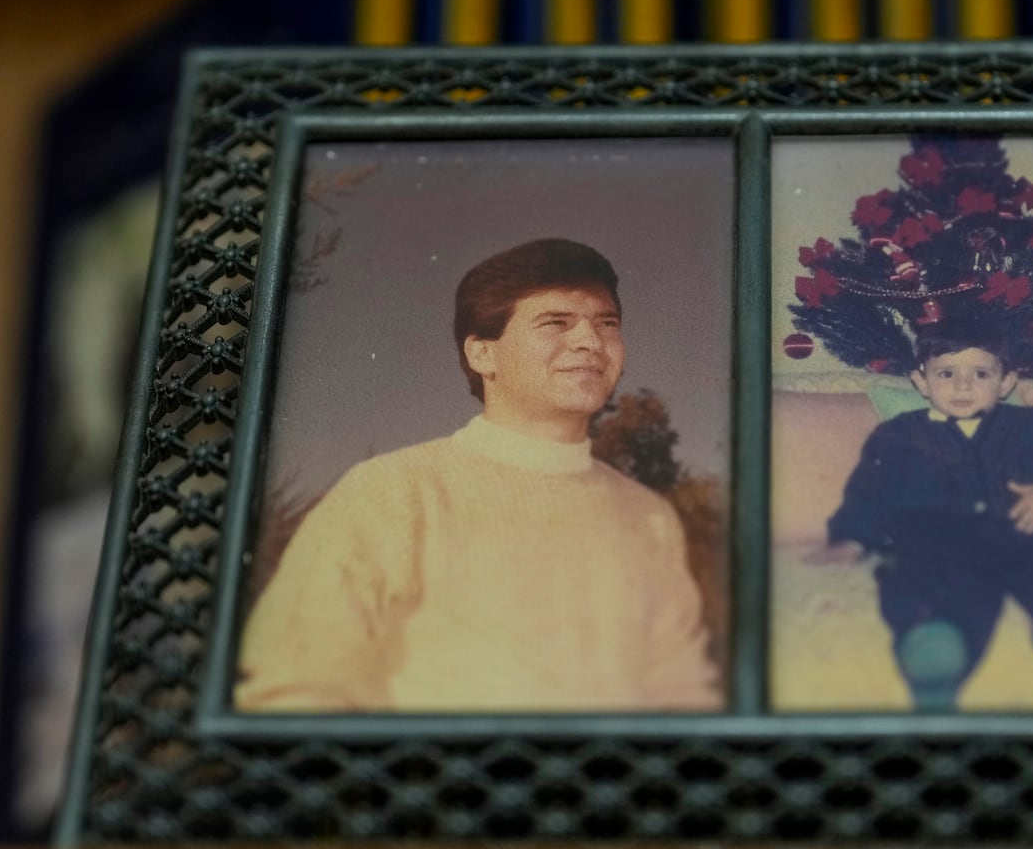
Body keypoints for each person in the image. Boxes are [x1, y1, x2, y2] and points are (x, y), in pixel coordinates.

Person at [236, 238, 721, 713]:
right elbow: (293, 691)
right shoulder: (391, 493)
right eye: (555, 322)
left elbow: (682, 701)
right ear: (482, 354)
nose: (589, 342)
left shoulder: (650, 518)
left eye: (607, 323)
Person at [825, 320, 1033, 711]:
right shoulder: (898, 436)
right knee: (922, 564)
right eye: (947, 373)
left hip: (1029, 528)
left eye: (980, 374)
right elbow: (870, 492)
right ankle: (935, 650)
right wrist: (851, 536)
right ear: (921, 381)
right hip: (944, 538)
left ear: (1006, 382)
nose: (963, 386)